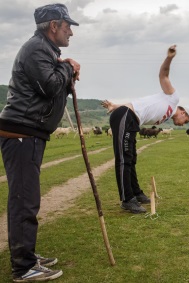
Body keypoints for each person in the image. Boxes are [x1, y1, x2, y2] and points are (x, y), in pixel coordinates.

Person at [0, 4, 80, 282]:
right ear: (53, 26)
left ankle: (28, 256)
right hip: (22, 133)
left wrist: (64, 66)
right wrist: (68, 69)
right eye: (67, 25)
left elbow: (50, 87)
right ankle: (23, 267)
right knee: (25, 201)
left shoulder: (46, 51)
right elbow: (51, 86)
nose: (71, 31)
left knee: (26, 198)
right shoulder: (37, 49)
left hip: (30, 132)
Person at [102, 45, 189, 214]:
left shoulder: (165, 116)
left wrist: (115, 105)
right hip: (126, 116)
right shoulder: (173, 98)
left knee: (131, 158)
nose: (182, 124)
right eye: (185, 119)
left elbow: (140, 104)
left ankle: (136, 193)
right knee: (123, 159)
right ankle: (126, 200)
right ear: (182, 111)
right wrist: (169, 58)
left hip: (130, 118)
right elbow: (163, 75)